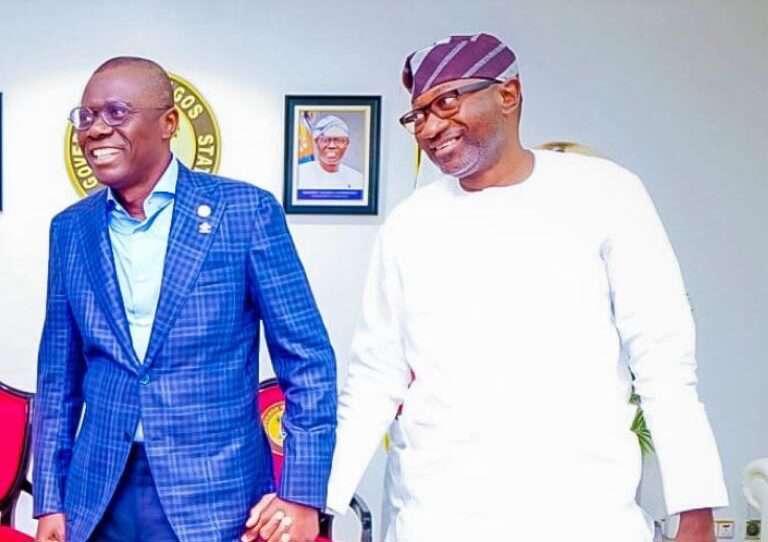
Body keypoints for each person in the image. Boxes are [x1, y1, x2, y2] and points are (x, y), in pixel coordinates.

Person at [325, 33, 728, 541]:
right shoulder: (409, 224)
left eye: (446, 102)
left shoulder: (606, 192)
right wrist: (321, 502)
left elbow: (664, 361)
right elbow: (374, 379)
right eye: (418, 115)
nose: (430, 127)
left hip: (586, 518)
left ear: (508, 93)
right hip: (437, 518)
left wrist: (695, 507)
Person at [33, 56, 336, 542]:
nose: (95, 129)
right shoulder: (70, 229)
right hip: (99, 494)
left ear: (169, 122)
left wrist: (301, 494)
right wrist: (51, 499)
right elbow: (58, 377)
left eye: (116, 112)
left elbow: (308, 363)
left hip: (217, 496)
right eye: (86, 116)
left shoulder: (244, 212)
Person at [297, 115, 364, 191]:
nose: (332, 146)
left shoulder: (358, 180)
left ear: (347, 143)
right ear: (316, 142)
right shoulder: (299, 175)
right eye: (326, 140)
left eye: (338, 140)